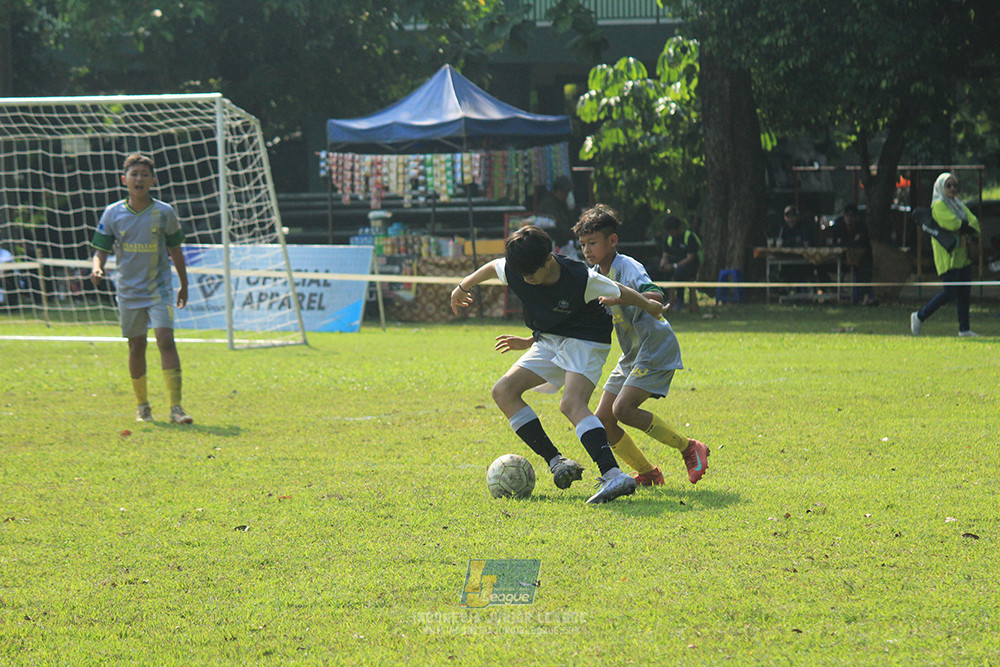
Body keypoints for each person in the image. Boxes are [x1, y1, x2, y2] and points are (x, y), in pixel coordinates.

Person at [450, 224, 664, 504]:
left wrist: (651, 306)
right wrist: (462, 286)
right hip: (549, 339)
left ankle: (613, 474)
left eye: (532, 274)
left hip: (587, 338)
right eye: (522, 275)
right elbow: (492, 267)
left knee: (571, 403)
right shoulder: (518, 267)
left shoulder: (581, 278)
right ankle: (556, 462)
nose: (526, 280)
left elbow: (622, 292)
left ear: (549, 260)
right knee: (503, 391)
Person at [575, 205, 710, 487]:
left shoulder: (628, 267)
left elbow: (655, 298)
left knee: (622, 409)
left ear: (612, 241)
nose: (587, 250)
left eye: (593, 243)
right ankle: (648, 473)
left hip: (656, 347)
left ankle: (688, 447)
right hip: (632, 354)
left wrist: (622, 297)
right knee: (603, 419)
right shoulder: (595, 275)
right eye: (583, 244)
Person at [90, 153, 194, 423]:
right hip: (128, 291)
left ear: (152, 181)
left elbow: (176, 250)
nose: (139, 179)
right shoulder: (113, 213)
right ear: (124, 180)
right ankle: (143, 406)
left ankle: (176, 408)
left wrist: (183, 283)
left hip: (159, 289)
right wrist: (97, 267)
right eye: (134, 174)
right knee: (136, 347)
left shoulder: (164, 212)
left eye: (144, 175)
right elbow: (100, 249)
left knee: (165, 340)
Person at [910, 172, 981, 337]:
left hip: (963, 255)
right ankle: (920, 316)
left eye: (954, 185)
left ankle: (964, 329)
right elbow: (952, 224)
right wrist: (965, 226)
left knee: (964, 292)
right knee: (949, 292)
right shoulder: (939, 205)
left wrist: (966, 227)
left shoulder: (958, 204)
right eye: (948, 185)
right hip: (948, 256)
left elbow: (975, 223)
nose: (952, 188)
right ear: (941, 187)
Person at [831, 203, 877, 306]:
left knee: (864, 269)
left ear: (857, 217)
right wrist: (850, 241)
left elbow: (860, 243)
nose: (849, 219)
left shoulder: (862, 227)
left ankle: (866, 298)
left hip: (862, 259)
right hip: (841, 259)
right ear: (844, 216)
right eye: (847, 215)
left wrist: (844, 241)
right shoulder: (839, 226)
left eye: (852, 216)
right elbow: (836, 243)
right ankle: (830, 293)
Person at [658, 215, 702, 313]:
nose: (670, 234)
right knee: (657, 271)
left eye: (672, 231)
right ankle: (664, 300)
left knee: (679, 272)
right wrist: (662, 265)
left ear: (678, 229)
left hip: (690, 266)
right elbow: (665, 255)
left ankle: (680, 300)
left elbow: (690, 258)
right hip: (674, 265)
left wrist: (674, 266)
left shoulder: (689, 237)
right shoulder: (669, 239)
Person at [534, 175, 576, 249]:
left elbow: (569, 220)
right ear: (559, 191)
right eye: (565, 192)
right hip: (553, 242)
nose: (566, 196)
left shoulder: (561, 202)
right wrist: (573, 234)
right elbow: (558, 225)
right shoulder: (549, 203)